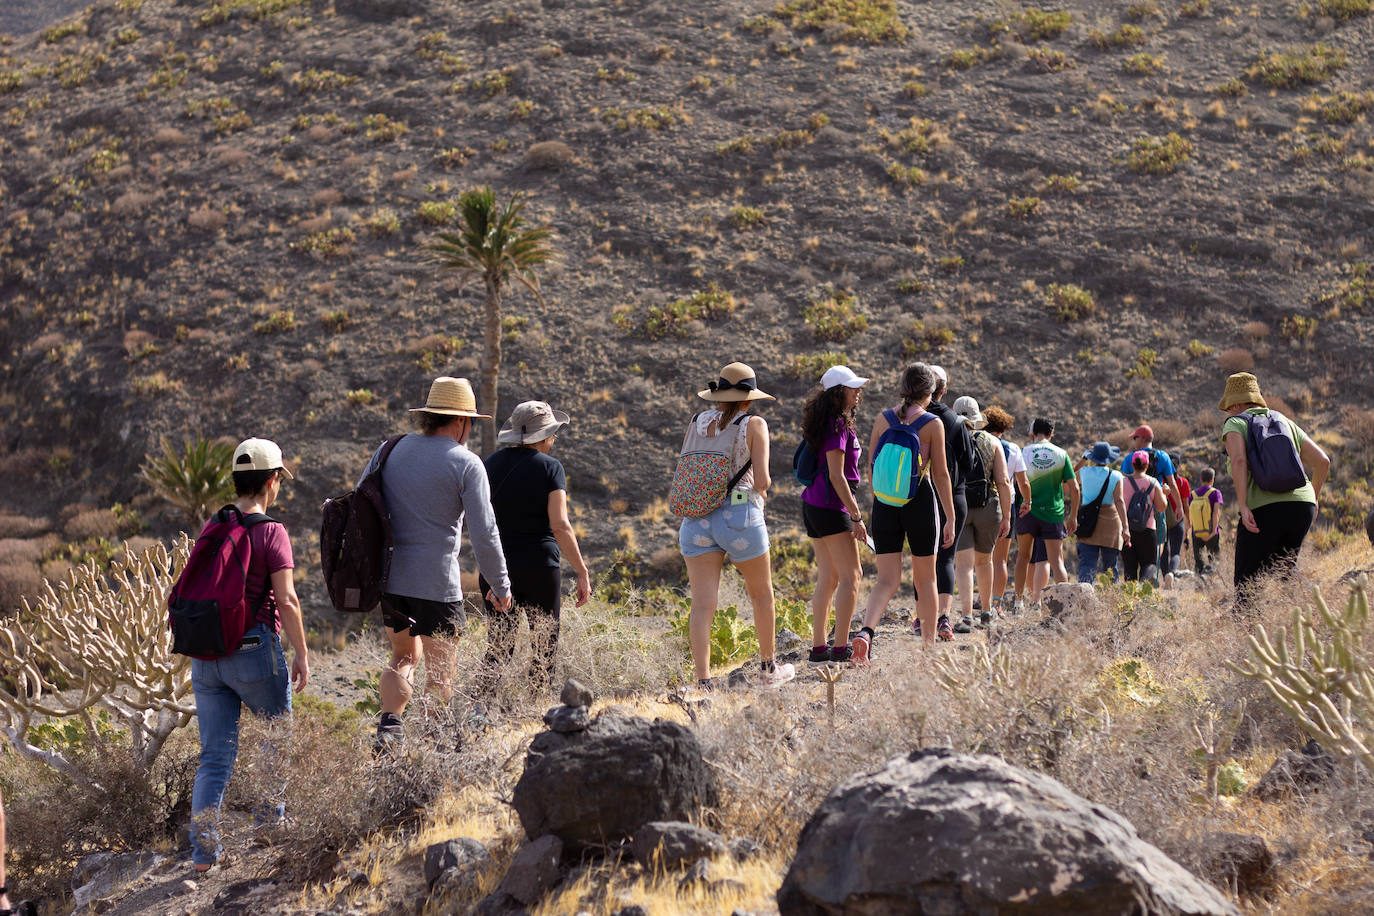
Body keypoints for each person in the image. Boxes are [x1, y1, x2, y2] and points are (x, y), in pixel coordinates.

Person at [363, 377, 513, 750]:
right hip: (438, 586)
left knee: (402, 656)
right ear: (462, 421)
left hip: (392, 580)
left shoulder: (389, 450)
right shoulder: (467, 464)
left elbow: (363, 507)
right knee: (441, 674)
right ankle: (432, 749)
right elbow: (485, 532)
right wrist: (500, 584)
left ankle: (390, 727)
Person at [189, 438, 310, 872]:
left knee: (215, 755)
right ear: (272, 481)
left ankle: (203, 854)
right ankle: (268, 828)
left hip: (204, 656)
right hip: (254, 650)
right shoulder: (272, 531)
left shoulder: (213, 524)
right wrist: (301, 652)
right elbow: (288, 600)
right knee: (277, 738)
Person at [678, 362, 795, 688]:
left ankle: (703, 682)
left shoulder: (697, 421)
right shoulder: (754, 423)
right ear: (748, 398)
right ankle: (768, 670)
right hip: (739, 516)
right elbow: (763, 479)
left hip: (696, 518)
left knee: (702, 604)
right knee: (761, 595)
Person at [479, 401, 592, 694]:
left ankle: (478, 713)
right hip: (539, 567)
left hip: (497, 566)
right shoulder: (551, 467)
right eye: (553, 434)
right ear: (544, 436)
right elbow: (560, 525)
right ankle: (536, 710)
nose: (554, 440)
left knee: (499, 645)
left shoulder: (488, 464)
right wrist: (581, 571)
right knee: (544, 646)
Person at [852, 363, 956, 662]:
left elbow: (871, 465)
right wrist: (949, 516)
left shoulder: (882, 419)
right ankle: (927, 649)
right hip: (919, 500)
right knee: (926, 580)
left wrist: (882, 500)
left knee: (886, 580)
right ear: (931, 391)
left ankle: (866, 633)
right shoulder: (932, 423)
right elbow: (941, 474)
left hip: (885, 504)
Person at [1219, 372, 1329, 607]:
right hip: (1302, 506)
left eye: (1229, 407)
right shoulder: (1284, 421)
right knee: (1284, 569)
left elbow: (1239, 461)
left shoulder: (1236, 423)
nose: (1228, 412)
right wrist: (1314, 499)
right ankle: (1316, 610)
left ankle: (1245, 636)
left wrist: (1243, 505)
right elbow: (1323, 462)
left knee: (1246, 584)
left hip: (1263, 510)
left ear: (1237, 403)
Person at [800, 365, 870, 664]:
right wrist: (856, 516)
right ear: (839, 392)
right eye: (853, 387)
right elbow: (837, 476)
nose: (858, 392)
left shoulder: (825, 421)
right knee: (852, 575)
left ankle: (819, 648)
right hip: (831, 506)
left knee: (828, 576)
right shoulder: (838, 425)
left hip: (813, 505)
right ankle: (840, 648)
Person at [923, 366, 975, 640]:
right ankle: (943, 618)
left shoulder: (906, 418)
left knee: (923, 556)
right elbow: (968, 463)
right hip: (953, 494)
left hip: (918, 496)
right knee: (946, 558)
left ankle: (922, 619)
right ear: (943, 390)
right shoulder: (955, 422)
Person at [951, 396, 1012, 630]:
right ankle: (986, 612)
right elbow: (1004, 481)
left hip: (961, 506)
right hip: (988, 505)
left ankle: (966, 615)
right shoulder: (992, 441)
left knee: (963, 564)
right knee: (985, 562)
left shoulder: (949, 440)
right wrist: (1006, 515)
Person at [1014, 418, 1079, 606]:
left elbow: (1016, 482)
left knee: (1023, 557)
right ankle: (1067, 606)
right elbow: (1074, 489)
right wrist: (1073, 516)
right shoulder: (1061, 453)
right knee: (1056, 561)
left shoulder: (1023, 452)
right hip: (1053, 513)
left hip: (1027, 510)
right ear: (1051, 433)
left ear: (1033, 432)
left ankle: (1018, 604)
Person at [983, 406, 1030, 612]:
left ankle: (982, 603)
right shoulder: (1013, 449)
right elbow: (1023, 482)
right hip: (1005, 504)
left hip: (982, 502)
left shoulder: (979, 442)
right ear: (1004, 427)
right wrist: (1027, 501)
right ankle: (996, 604)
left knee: (982, 558)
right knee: (1000, 559)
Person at [1120, 425, 1184, 572]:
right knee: (1159, 542)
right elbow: (1172, 483)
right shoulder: (1163, 456)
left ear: (1142, 439)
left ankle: (1136, 580)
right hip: (1157, 508)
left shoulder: (1131, 458)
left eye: (1135, 438)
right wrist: (1179, 507)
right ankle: (1153, 575)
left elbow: (1122, 483)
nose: (1134, 441)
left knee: (1133, 546)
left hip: (1133, 511)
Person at [1075, 441, 1128, 583]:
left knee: (1087, 564)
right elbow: (1119, 501)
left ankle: (1085, 596)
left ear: (1093, 457)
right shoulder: (1116, 476)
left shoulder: (1084, 472)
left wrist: (1084, 458)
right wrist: (1126, 527)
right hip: (1111, 523)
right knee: (1111, 566)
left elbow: (1070, 480)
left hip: (1088, 521)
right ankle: (1111, 598)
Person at [1120, 450, 1168, 584]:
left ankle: (1130, 600)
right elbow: (1161, 507)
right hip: (1147, 530)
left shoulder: (1122, 482)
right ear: (1147, 466)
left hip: (1127, 531)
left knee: (1129, 568)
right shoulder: (1153, 483)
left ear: (1132, 464)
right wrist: (1165, 494)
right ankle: (1143, 586)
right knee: (1149, 564)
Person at [1190, 466, 1224, 576]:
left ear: (1201, 479)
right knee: (1214, 560)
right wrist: (1214, 531)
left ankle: (1199, 585)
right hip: (1211, 531)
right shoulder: (1215, 493)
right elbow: (1215, 513)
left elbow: (1190, 514)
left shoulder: (1192, 494)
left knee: (1198, 562)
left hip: (1196, 532)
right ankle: (1212, 584)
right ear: (1212, 479)